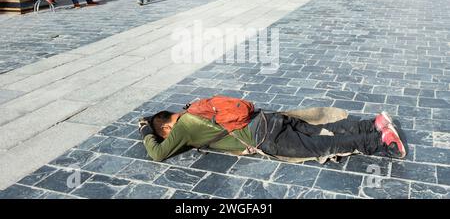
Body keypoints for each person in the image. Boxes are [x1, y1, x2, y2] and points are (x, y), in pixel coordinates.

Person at [138, 96, 407, 163]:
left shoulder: (183, 126)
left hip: (265, 136)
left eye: (165, 134)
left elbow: (158, 154)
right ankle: (373, 124)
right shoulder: (196, 107)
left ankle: (381, 142)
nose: (170, 139)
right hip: (269, 119)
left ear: (165, 126)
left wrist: (144, 131)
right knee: (323, 128)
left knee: (322, 146)